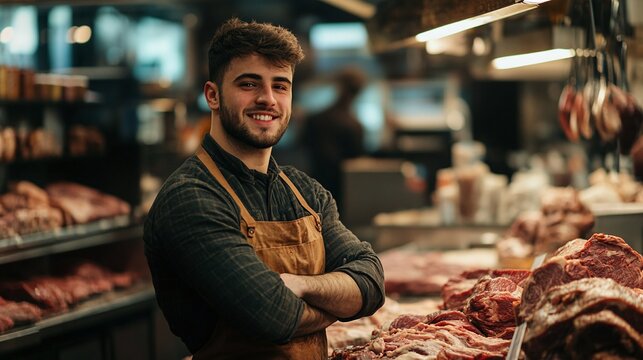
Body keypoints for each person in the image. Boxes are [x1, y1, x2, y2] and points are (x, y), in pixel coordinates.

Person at [144, 18, 385, 360]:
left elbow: (372, 281)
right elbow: (274, 316)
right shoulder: (191, 197)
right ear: (212, 95)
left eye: (281, 85)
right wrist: (341, 305)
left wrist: (302, 285)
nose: (268, 99)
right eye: (249, 84)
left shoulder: (306, 192)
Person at [303, 67, 367, 210]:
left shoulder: (315, 119)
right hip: (344, 190)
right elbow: (358, 161)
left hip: (313, 185)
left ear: (340, 87)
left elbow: (303, 146)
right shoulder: (355, 126)